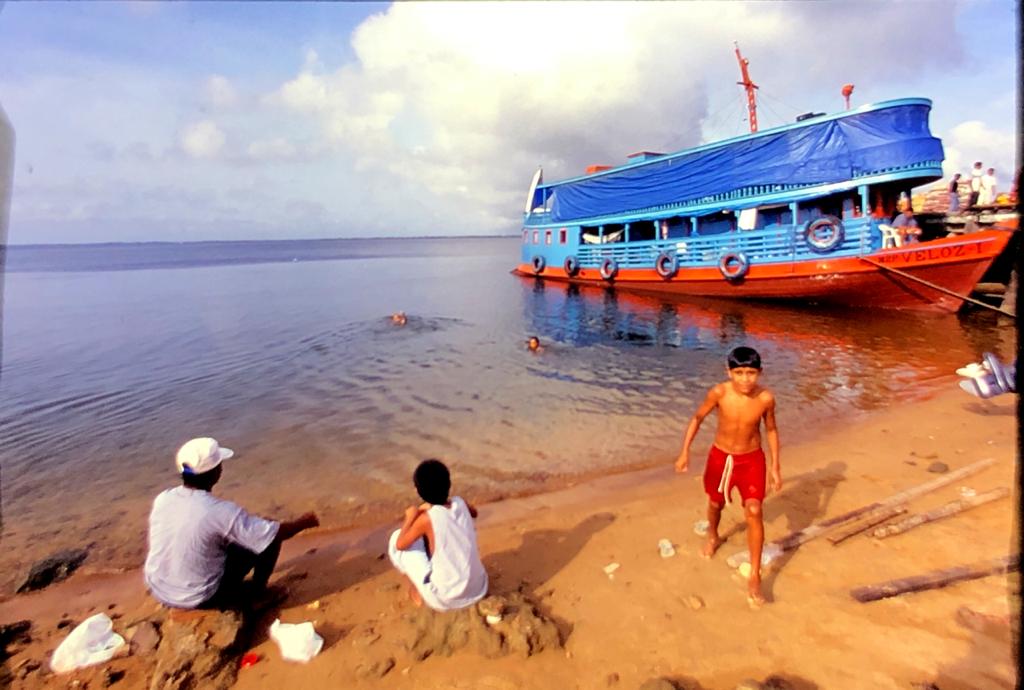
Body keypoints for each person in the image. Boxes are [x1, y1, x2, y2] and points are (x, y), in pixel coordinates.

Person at [144, 437, 319, 610]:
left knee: (232, 535)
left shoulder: (164, 498)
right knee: (268, 535)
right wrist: (305, 522)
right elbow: (273, 533)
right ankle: (258, 594)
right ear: (215, 472)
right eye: (219, 464)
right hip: (199, 597)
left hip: (159, 589)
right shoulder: (221, 511)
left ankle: (183, 583)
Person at [674, 346, 780, 608]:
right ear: (729, 371)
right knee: (715, 503)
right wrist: (684, 452)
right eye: (740, 372)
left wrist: (775, 466)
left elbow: (771, 430)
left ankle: (754, 574)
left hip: (751, 459)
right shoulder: (720, 393)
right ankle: (713, 534)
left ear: (760, 372)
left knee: (754, 510)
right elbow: (698, 417)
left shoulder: (766, 398)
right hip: (721, 458)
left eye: (751, 373)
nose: (745, 379)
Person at [387, 459, 488, 611]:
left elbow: (400, 545)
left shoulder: (426, 519)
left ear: (418, 490)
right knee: (436, 538)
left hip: (446, 599)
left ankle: (416, 589)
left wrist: (410, 517)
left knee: (396, 538)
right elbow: (474, 513)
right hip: (479, 587)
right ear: (448, 484)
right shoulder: (460, 502)